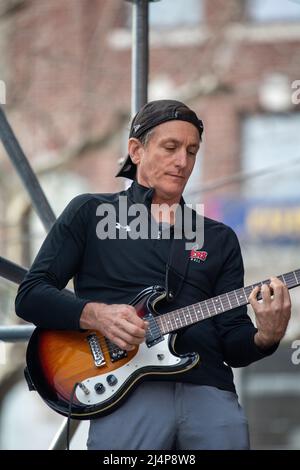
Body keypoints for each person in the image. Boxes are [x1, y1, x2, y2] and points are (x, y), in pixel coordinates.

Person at [15, 99, 291, 450]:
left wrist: (266, 336)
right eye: (171, 147)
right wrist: (96, 315)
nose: (183, 162)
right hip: (126, 391)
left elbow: (233, 342)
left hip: (209, 389)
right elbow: (31, 295)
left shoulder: (218, 237)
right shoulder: (90, 213)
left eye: (192, 151)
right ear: (136, 150)